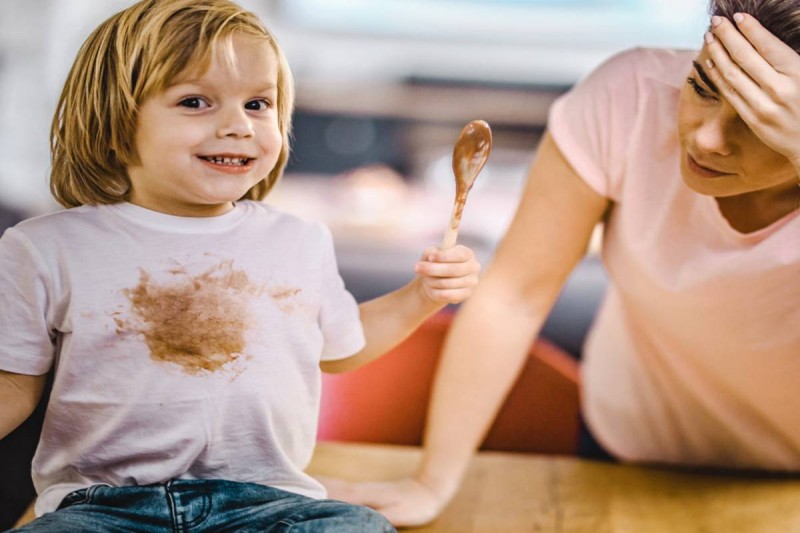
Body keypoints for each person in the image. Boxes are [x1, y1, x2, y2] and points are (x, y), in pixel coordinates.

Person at [0, 1, 481, 531]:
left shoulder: (300, 241)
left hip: (268, 503)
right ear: (114, 123)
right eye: (196, 101)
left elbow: (343, 348)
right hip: (103, 508)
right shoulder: (44, 248)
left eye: (258, 103)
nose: (238, 126)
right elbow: (15, 386)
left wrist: (423, 295)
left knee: (361, 527)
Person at [323, 0, 800, 527]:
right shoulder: (631, 98)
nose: (708, 138)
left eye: (760, 122)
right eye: (703, 88)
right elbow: (514, 296)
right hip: (628, 451)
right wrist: (431, 483)